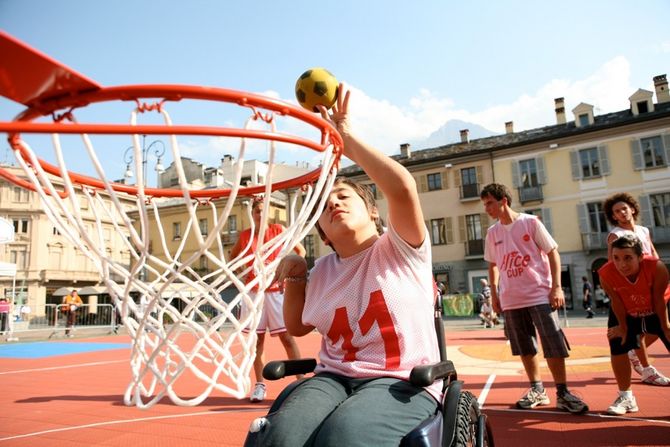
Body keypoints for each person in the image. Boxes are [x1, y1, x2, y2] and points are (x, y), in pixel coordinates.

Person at [254, 86, 441, 446]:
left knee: (343, 437)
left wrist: (347, 138)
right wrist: (296, 272)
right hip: (332, 378)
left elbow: (402, 189)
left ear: (373, 211)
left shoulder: (401, 249)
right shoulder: (323, 269)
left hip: (400, 380)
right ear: (322, 232)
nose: (334, 204)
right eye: (325, 206)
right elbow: (295, 324)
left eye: (343, 196)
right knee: (280, 437)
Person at [480, 183, 588, 414]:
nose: (486, 208)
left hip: (539, 293)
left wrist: (556, 287)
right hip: (511, 299)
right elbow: (493, 265)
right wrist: (495, 294)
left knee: (553, 343)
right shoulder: (492, 233)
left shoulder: (530, 222)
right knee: (525, 347)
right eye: (485, 204)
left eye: (489, 202)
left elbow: (552, 252)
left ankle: (563, 392)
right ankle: (537, 389)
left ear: (503, 201)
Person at [230, 197, 306, 403]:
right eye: (256, 211)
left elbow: (301, 251)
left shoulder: (279, 231)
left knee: (287, 338)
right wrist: (244, 274)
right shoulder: (246, 236)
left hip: (275, 292)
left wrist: (288, 273)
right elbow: (233, 257)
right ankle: (259, 385)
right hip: (255, 294)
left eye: (263, 211)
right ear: (252, 214)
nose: (260, 214)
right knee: (257, 342)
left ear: (269, 213)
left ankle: (301, 382)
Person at [598, 234, 670, 415]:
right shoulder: (606, 274)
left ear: (640, 257)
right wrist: (623, 327)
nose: (622, 264)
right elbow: (616, 302)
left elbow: (659, 300)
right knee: (618, 342)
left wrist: (666, 326)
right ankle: (626, 397)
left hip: (659, 306)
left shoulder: (657, 267)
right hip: (627, 308)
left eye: (628, 258)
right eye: (616, 258)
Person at [603, 192, 668, 386]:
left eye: (624, 208)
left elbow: (653, 254)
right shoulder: (616, 235)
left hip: (650, 282)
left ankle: (634, 351)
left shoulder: (643, 230)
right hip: (631, 288)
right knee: (637, 329)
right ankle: (646, 369)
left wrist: (661, 277)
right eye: (617, 211)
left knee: (659, 327)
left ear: (632, 209)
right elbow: (613, 263)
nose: (622, 213)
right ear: (613, 216)